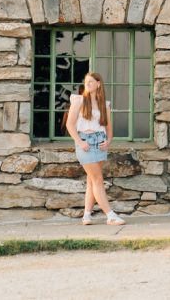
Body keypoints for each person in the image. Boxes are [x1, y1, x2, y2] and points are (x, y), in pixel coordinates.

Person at [67, 71, 125, 226]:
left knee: (92, 181)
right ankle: (110, 215)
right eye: (86, 82)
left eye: (91, 81)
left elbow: (109, 129)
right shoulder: (79, 101)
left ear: (98, 84)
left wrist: (108, 141)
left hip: (100, 143)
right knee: (98, 179)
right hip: (85, 143)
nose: (88, 84)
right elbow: (70, 125)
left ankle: (86, 216)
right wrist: (80, 142)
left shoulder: (104, 104)